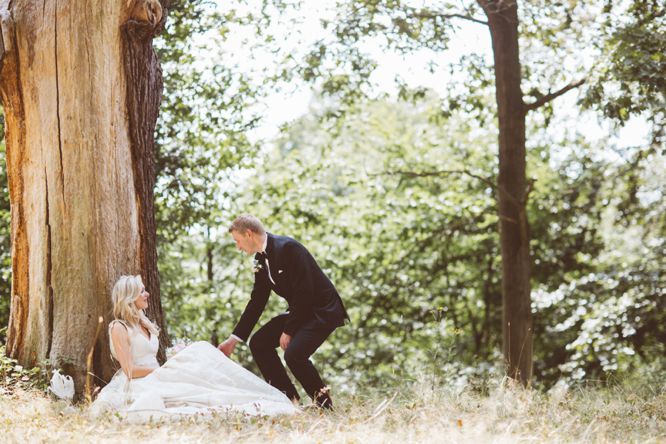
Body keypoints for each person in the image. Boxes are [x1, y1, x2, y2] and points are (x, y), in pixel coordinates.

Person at [90, 275, 298, 421]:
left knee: (200, 351)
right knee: (195, 375)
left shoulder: (144, 323)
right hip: (138, 383)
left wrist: (172, 364)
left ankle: (263, 394)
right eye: (142, 290)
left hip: (158, 375)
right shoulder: (119, 327)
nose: (147, 293)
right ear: (129, 296)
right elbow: (130, 371)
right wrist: (165, 370)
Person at [218, 215, 349, 409]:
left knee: (294, 355)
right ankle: (290, 401)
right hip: (301, 310)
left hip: (322, 311)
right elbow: (257, 302)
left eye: (238, 241)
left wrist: (288, 330)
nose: (238, 247)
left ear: (249, 234)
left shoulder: (288, 248)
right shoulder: (259, 260)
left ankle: (325, 406)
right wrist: (233, 340)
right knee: (259, 342)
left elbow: (305, 292)